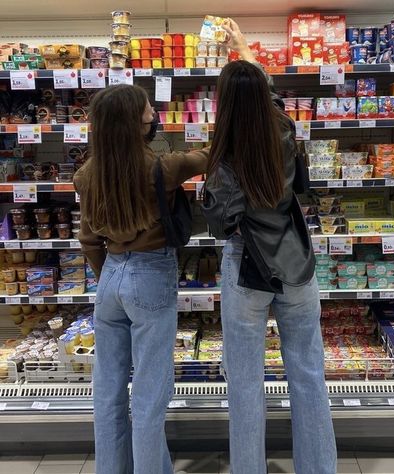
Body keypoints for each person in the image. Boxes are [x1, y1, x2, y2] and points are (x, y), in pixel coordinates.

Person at [202, 20, 337, 474]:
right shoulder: (283, 127)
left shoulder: (225, 155)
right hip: (296, 260)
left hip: (248, 270)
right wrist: (245, 52)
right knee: (308, 376)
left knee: (245, 385)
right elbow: (270, 96)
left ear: (223, 106)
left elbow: (222, 225)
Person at [74, 84, 208, 474]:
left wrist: (110, 279)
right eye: (149, 110)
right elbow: (207, 156)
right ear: (135, 122)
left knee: (109, 393)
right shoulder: (160, 168)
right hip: (150, 275)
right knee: (150, 394)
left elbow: (88, 240)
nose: (154, 115)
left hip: (110, 277)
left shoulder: (85, 175)